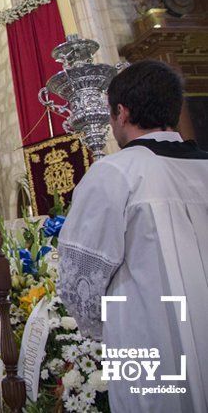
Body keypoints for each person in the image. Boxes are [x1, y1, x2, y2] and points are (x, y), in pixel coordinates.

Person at [58, 61, 208, 412]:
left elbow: (79, 280)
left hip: (148, 341)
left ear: (120, 113)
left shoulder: (114, 173)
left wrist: (100, 329)